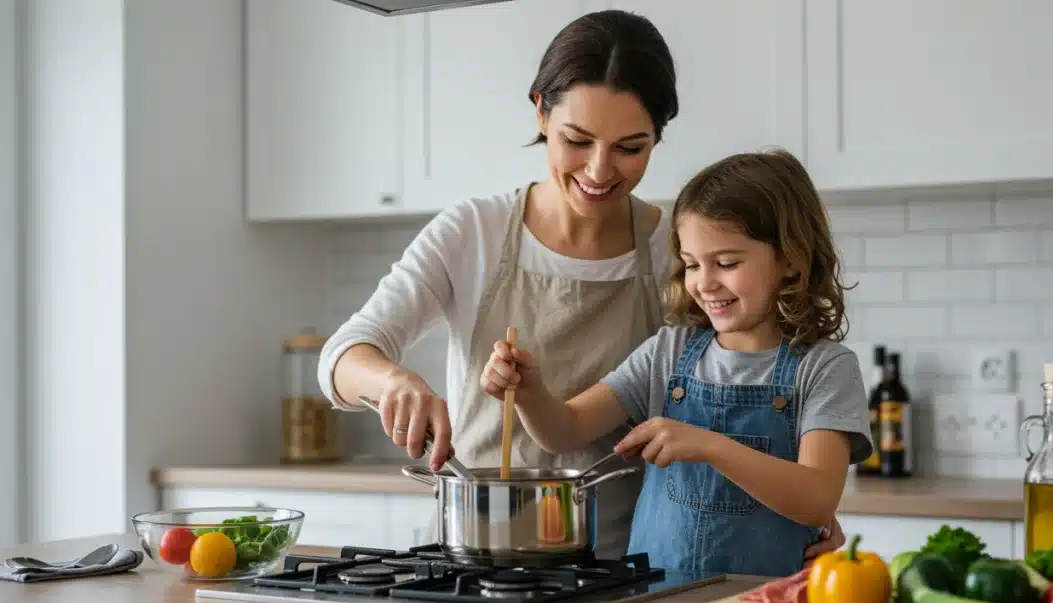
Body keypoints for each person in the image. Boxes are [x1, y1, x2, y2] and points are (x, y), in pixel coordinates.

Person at [317, 9, 846, 562]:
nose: (599, 171)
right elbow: (341, 357)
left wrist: (796, 503)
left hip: (628, 571)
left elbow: (743, 374)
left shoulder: (682, 249)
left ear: (657, 138)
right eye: (577, 139)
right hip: (474, 553)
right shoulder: (473, 231)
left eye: (629, 147)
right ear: (541, 111)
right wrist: (392, 383)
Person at [479, 148, 872, 576]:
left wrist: (708, 445)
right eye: (691, 265)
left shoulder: (825, 369)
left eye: (726, 263)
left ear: (791, 262)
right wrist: (530, 393)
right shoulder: (667, 352)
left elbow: (816, 499)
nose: (704, 282)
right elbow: (565, 430)